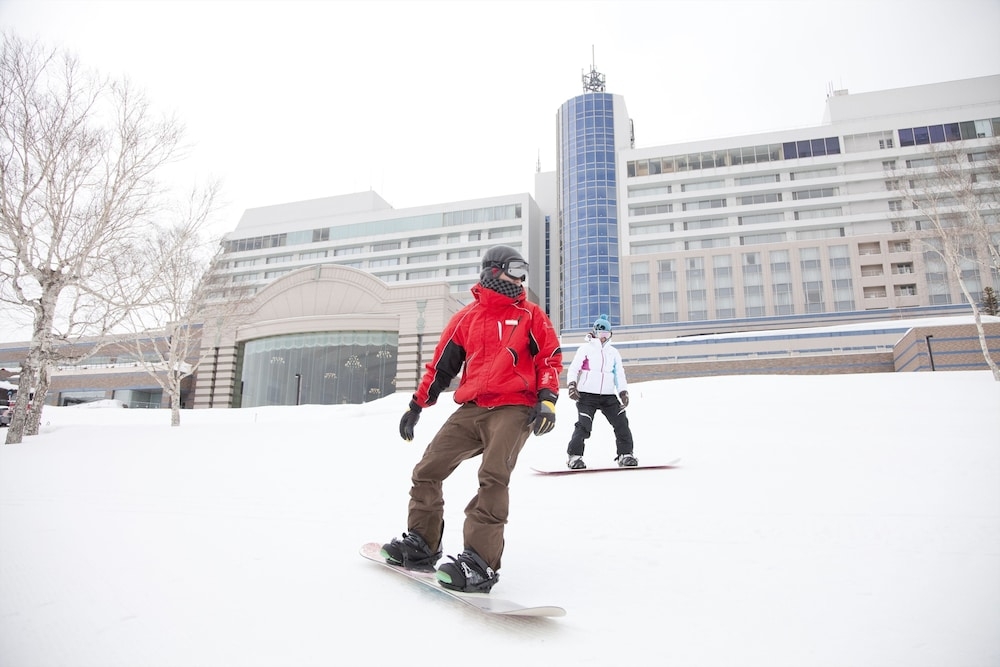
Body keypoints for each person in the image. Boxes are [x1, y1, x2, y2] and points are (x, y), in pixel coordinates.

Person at [381, 244, 563, 593]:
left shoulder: (530, 316)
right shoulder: (466, 318)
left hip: (514, 406)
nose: (521, 278)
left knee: (493, 477)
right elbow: (441, 368)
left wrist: (548, 399)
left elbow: (549, 359)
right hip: (473, 407)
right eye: (515, 268)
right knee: (427, 470)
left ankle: (480, 562)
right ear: (493, 270)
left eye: (524, 271)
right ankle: (422, 543)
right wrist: (416, 406)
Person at [564, 314, 637, 469]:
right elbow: (574, 369)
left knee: (621, 422)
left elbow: (619, 374)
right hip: (586, 395)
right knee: (584, 425)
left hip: (608, 396)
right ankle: (574, 457)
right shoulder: (585, 349)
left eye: (606, 334)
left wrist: (623, 392)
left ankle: (625, 454)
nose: (603, 337)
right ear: (594, 333)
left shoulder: (613, 353)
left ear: (610, 335)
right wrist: (572, 385)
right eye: (600, 333)